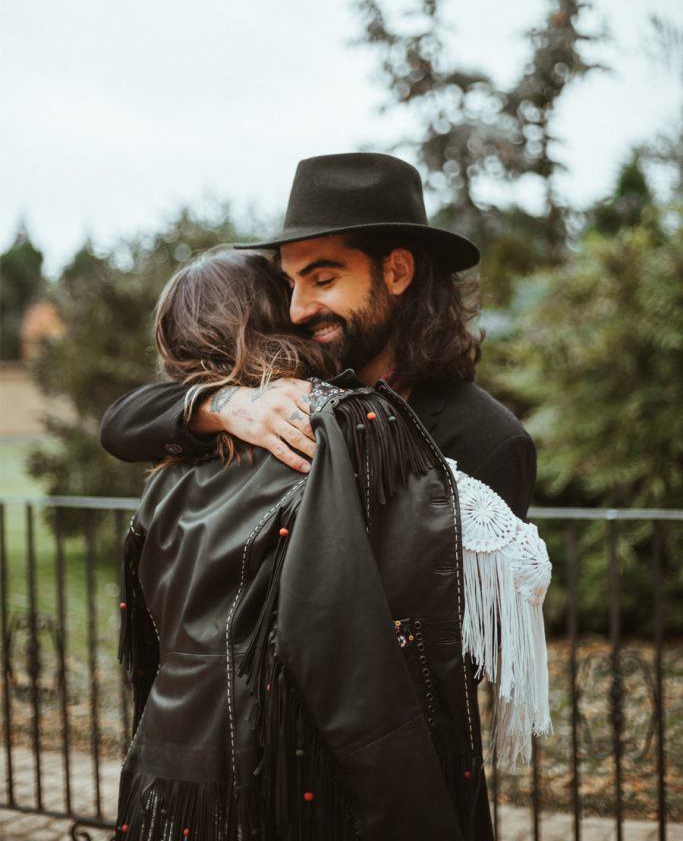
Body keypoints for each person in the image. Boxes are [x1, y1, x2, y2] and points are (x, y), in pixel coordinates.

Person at [102, 152, 541, 838]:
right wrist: (220, 406)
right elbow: (121, 423)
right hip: (260, 771)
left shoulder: (485, 438)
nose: (299, 308)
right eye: (289, 284)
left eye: (323, 278)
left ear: (395, 273)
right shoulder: (275, 396)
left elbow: (460, 655)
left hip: (383, 778)